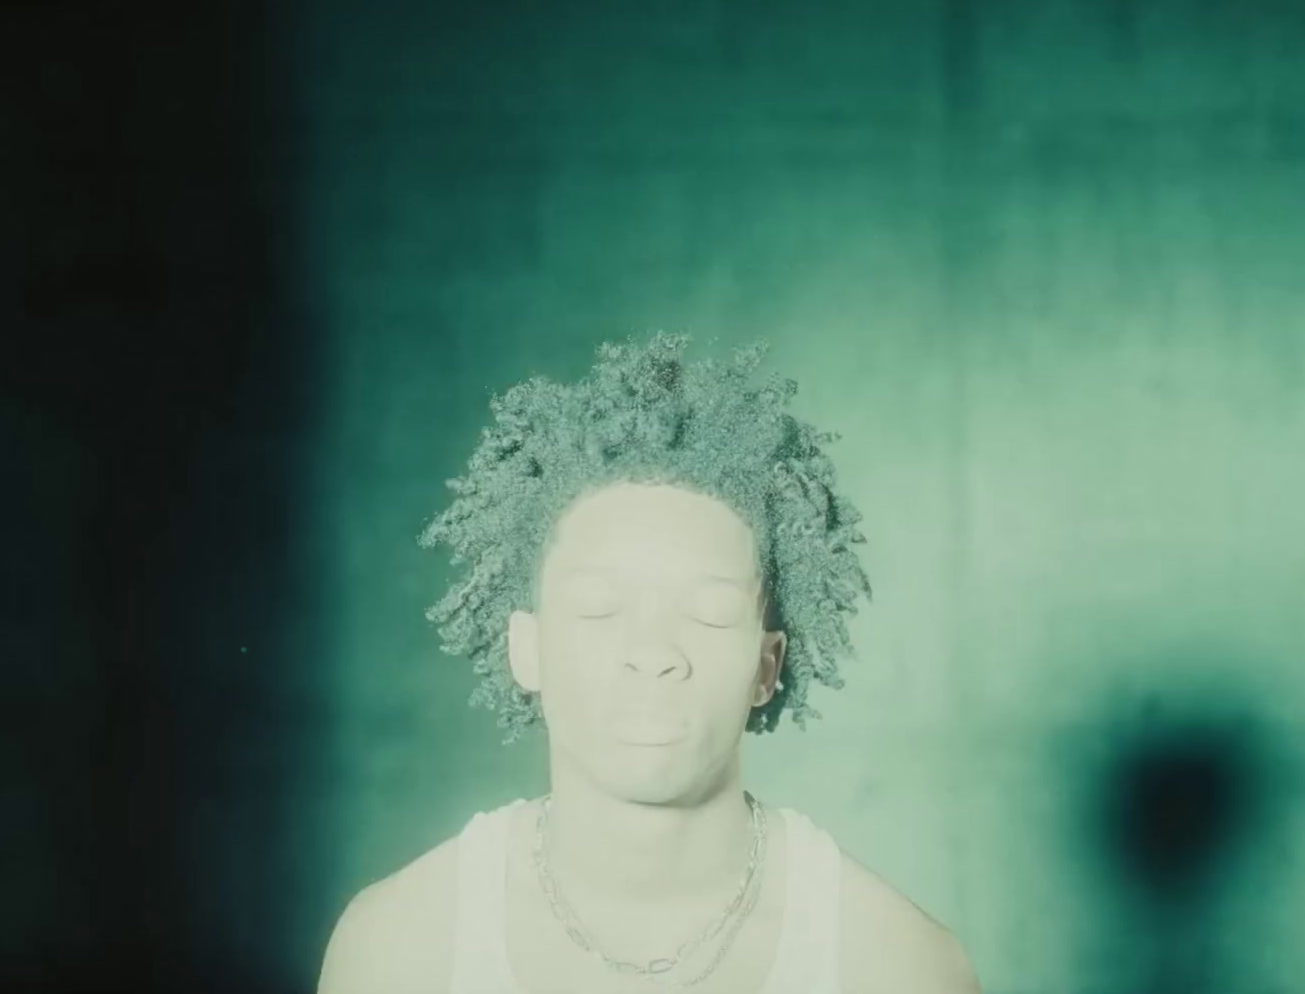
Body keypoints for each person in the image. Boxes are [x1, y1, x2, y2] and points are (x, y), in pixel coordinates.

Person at [317, 332, 982, 993]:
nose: (653, 654)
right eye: (601, 608)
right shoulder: (399, 949)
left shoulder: (894, 965)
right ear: (526, 648)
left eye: (711, 612)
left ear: (766, 666)